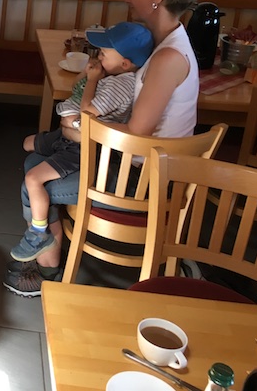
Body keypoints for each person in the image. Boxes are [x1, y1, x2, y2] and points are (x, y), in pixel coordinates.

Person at [4, 0, 202, 297]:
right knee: (35, 162)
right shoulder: (165, 44)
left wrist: (77, 129)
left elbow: (137, 133)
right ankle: (48, 255)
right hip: (131, 162)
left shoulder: (168, 58)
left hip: (142, 179)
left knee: (32, 183)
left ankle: (48, 274)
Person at [9, 22, 153, 262]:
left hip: (81, 147)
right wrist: (87, 74)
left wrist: (94, 80)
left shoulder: (121, 85)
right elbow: (77, 89)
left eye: (104, 52)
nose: (99, 55)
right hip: (69, 136)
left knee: (33, 179)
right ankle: (44, 250)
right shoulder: (111, 76)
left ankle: (38, 233)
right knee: (28, 144)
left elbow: (87, 112)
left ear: (125, 64)